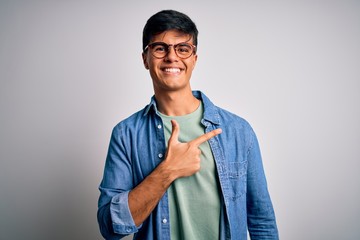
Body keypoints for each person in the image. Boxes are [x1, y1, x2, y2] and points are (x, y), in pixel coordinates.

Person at [97, 9, 279, 240]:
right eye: (160, 48)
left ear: (194, 58)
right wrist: (167, 171)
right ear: (145, 58)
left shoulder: (238, 131)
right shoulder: (126, 134)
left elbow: (261, 221)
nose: (172, 57)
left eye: (183, 48)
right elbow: (109, 228)